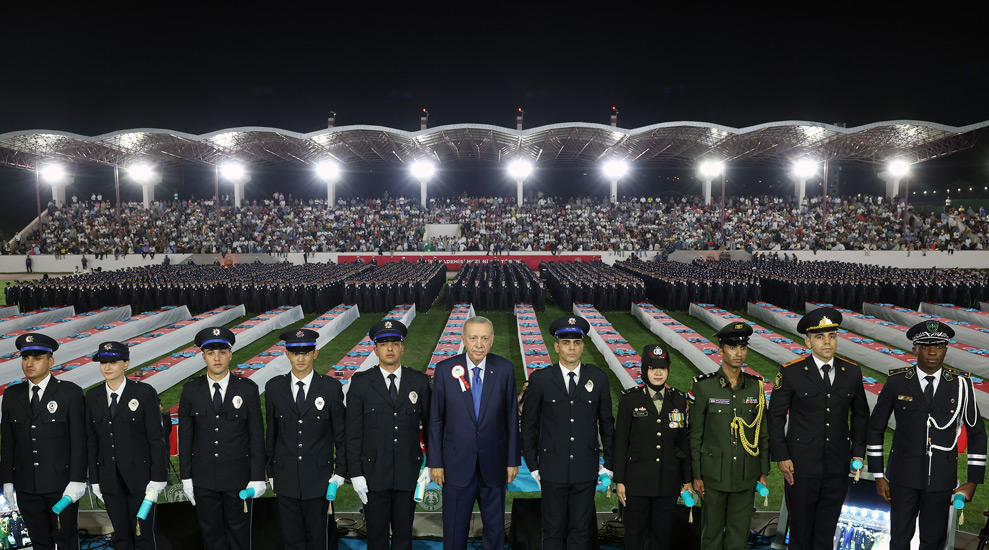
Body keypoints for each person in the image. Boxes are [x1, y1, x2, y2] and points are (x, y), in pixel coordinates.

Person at [867, 320, 987, 549]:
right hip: (901, 479)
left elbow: (978, 434)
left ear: (946, 349)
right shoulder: (897, 382)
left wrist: (973, 481)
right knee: (899, 540)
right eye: (925, 346)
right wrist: (878, 475)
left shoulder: (961, 385)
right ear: (914, 349)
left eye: (939, 346)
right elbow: (875, 429)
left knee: (933, 542)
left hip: (941, 480)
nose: (932, 352)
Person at [768, 307, 869, 550]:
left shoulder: (852, 372)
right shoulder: (791, 372)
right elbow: (775, 416)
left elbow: (861, 415)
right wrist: (781, 456)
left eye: (832, 336)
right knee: (801, 534)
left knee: (826, 534)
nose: (827, 342)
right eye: (820, 337)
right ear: (808, 341)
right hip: (800, 468)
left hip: (837, 466)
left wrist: (857, 452)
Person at [520, 315, 614, 550]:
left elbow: (606, 423)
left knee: (580, 531)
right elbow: (528, 425)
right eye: (565, 342)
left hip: (586, 467)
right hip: (551, 469)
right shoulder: (540, 380)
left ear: (582, 345)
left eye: (576, 343)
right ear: (556, 346)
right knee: (552, 531)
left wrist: (609, 463)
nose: (571, 348)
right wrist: (532, 465)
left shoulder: (599, 378)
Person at [428, 316, 521, 550]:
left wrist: (512, 460)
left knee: (495, 531)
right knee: (454, 532)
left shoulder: (504, 369)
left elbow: (511, 418)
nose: (479, 344)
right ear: (463, 340)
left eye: (484, 338)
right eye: (473, 338)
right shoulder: (445, 369)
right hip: (456, 466)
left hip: (495, 465)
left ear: (492, 341)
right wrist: (435, 463)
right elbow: (436, 420)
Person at [178, 327, 266, 550]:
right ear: (203, 356)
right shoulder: (190, 390)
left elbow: (256, 436)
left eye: (222, 351)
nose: (216, 358)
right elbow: (186, 437)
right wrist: (186, 478)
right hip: (204, 478)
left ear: (230, 354)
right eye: (210, 352)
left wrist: (257, 477)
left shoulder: (247, 389)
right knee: (211, 535)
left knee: (240, 534)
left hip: (238, 478)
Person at [345, 320, 430, 550]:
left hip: (407, 473)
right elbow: (352, 433)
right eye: (383, 344)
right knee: (376, 537)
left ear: (403, 347)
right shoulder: (361, 383)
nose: (390, 348)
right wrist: (355, 473)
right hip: (373, 475)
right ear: (375, 349)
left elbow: (431, 428)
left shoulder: (420, 382)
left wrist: (431, 464)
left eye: (395, 343)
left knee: (404, 537)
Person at [0, 333, 87, 550]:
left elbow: (79, 440)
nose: (29, 363)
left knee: (66, 541)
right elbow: (8, 441)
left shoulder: (69, 393)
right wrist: (8, 481)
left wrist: (78, 480)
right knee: (40, 543)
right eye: (25, 358)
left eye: (37, 358)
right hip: (27, 485)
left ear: (51, 361)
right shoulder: (12, 395)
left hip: (61, 486)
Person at [688, 322, 769, 550]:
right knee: (711, 536)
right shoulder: (704, 387)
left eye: (743, 347)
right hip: (713, 476)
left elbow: (763, 432)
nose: (739, 353)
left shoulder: (756, 388)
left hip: (746, 474)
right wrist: (696, 475)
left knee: (738, 538)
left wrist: (763, 471)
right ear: (720, 350)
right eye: (732, 347)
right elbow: (694, 436)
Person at [265, 328, 346, 550]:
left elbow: (340, 435)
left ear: (315, 354)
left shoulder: (330, 388)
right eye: (295, 352)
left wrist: (340, 472)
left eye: (306, 352)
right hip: (285, 477)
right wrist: (271, 472)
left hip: (319, 479)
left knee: (318, 539)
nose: (300, 358)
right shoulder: (274, 388)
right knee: (291, 540)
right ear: (287, 354)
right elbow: (271, 433)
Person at [86, 341, 169, 550]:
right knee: (121, 538)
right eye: (103, 362)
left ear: (126, 363)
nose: (107, 367)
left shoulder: (144, 393)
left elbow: (156, 439)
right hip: (109, 479)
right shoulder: (92, 396)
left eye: (113, 362)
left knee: (143, 536)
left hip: (141, 478)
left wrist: (158, 478)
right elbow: (91, 440)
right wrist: (94, 479)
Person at [613, 344, 692, 550]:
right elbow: (620, 442)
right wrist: (619, 480)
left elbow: (683, 443)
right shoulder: (630, 399)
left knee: (662, 537)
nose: (658, 373)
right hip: (636, 482)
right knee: (635, 537)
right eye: (652, 368)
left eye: (663, 368)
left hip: (667, 482)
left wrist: (687, 480)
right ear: (644, 370)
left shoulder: (679, 400)